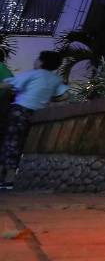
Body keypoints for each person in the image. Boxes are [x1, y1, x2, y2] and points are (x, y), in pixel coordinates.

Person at [0, 51, 69, 190]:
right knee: (22, 143)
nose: (35, 61)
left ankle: (8, 178)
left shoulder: (33, 74)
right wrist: (49, 98)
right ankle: (10, 179)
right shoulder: (55, 79)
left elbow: (6, 85)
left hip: (19, 111)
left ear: (41, 62)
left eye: (37, 58)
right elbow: (65, 95)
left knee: (10, 143)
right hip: (36, 114)